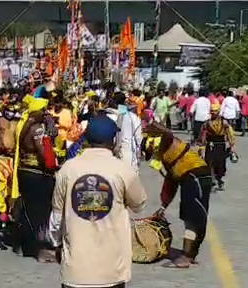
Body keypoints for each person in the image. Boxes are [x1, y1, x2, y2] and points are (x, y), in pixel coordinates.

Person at [49, 115, 147, 288]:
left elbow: (57, 215)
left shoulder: (68, 169)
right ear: (113, 140)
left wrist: (56, 244)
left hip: (76, 270)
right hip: (112, 269)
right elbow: (139, 205)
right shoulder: (123, 169)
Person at [146, 123, 212, 268]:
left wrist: (150, 125)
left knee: (192, 219)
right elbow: (171, 182)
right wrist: (163, 206)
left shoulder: (166, 141)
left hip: (195, 176)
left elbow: (167, 132)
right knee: (191, 216)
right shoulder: (165, 157)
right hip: (192, 178)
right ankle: (191, 253)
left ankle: (187, 256)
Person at [11, 97, 58, 262]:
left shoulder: (22, 126)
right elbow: (44, 155)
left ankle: (22, 245)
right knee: (40, 211)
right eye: (43, 110)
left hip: (24, 171)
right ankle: (40, 250)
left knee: (25, 209)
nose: (46, 113)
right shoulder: (37, 130)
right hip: (37, 173)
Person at [199, 103, 236, 191]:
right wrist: (202, 147)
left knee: (220, 164)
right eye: (212, 111)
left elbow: (229, 133)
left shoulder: (224, 122)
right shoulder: (207, 123)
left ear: (218, 111)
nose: (213, 112)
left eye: (215, 111)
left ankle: (220, 179)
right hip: (210, 144)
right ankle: (212, 180)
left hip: (220, 145)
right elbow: (203, 135)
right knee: (209, 162)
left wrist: (232, 145)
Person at [114, 92, 143, 173]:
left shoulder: (114, 114)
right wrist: (139, 153)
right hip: (128, 149)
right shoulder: (133, 117)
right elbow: (138, 138)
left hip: (113, 148)